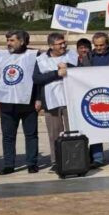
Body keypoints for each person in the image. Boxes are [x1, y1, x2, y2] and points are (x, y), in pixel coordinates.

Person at [0, 30, 40, 175]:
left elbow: (38, 78)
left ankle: (32, 163)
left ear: (22, 41)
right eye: (7, 40)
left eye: (12, 40)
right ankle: (8, 164)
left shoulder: (34, 55)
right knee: (8, 136)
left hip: (28, 102)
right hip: (7, 102)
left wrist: (39, 98)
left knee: (31, 135)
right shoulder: (1, 56)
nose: (8, 43)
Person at [80, 32, 109, 168]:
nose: (99, 48)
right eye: (96, 45)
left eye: (102, 45)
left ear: (107, 43)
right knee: (95, 128)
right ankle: (97, 158)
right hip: (95, 96)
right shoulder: (88, 56)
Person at [33, 32, 77, 170]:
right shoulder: (40, 60)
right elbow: (37, 79)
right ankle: (56, 161)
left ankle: (75, 158)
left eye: (64, 43)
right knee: (54, 133)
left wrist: (69, 67)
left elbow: (82, 71)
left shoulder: (72, 55)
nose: (63, 45)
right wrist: (55, 73)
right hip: (51, 101)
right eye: (60, 44)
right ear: (51, 45)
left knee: (74, 131)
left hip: (70, 99)